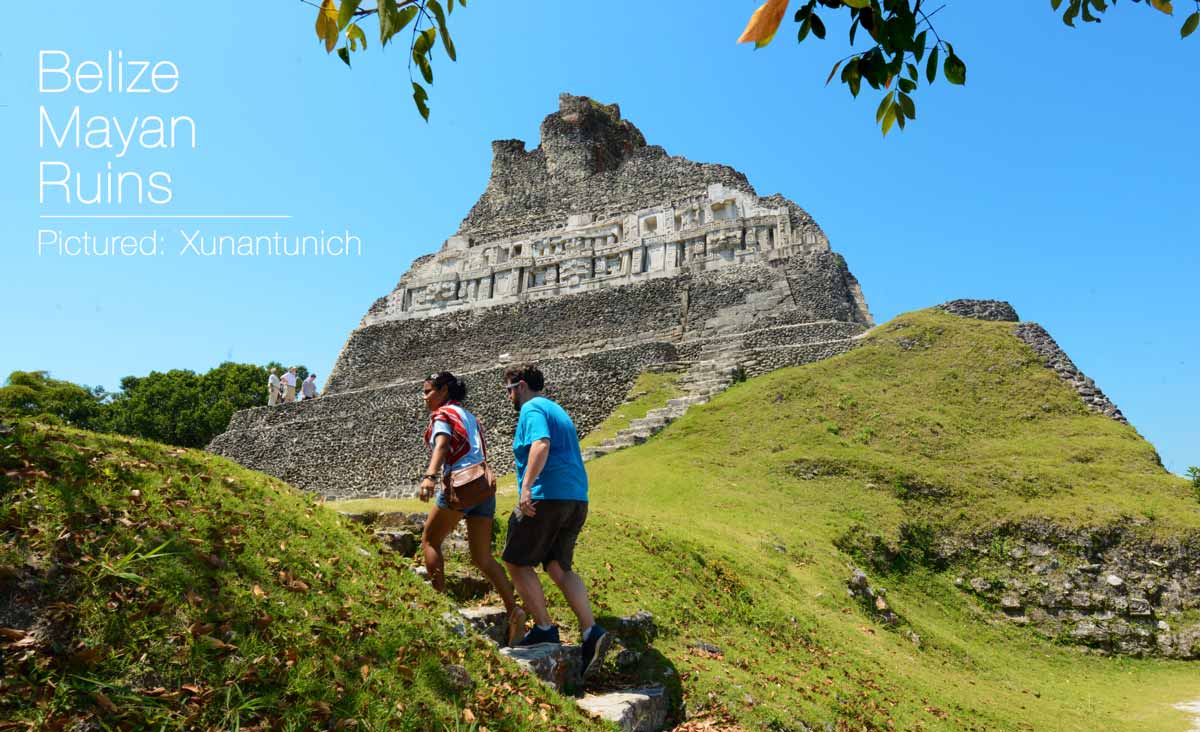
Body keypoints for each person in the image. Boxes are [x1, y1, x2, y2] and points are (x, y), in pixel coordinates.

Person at [501, 363, 611, 677]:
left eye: (508, 390)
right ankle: (592, 632)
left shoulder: (532, 408)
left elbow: (541, 444)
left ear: (520, 386)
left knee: (517, 561)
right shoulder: (557, 409)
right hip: (576, 498)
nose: (508, 397)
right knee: (558, 567)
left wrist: (525, 487)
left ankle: (545, 628)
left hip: (546, 496)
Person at [418, 371, 526, 644]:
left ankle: (439, 606)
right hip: (483, 487)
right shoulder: (470, 417)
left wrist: (430, 477)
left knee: (430, 539)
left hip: (461, 486)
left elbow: (442, 446)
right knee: (482, 557)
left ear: (444, 392)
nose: (424, 397)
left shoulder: (442, 415)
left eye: (428, 391)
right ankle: (514, 610)